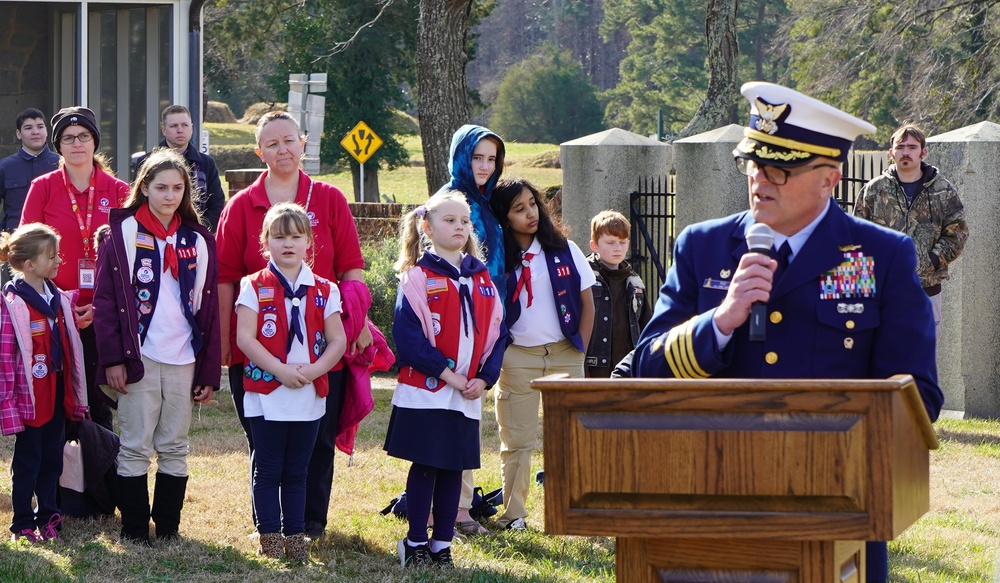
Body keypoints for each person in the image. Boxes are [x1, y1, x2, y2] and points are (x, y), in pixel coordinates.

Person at [629, 82, 945, 583]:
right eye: (753, 165)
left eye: (780, 169)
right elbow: (643, 369)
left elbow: (918, 399)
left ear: (829, 179)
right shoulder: (703, 246)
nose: (760, 182)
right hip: (708, 508)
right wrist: (721, 322)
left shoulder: (880, 255)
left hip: (833, 514)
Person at [215, 111, 369, 539]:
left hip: (322, 347)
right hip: (258, 348)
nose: (282, 150)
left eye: (289, 141)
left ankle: (310, 524)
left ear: (303, 144)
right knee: (264, 441)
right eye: (272, 143)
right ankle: (267, 527)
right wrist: (228, 341)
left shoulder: (331, 198)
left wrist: (357, 322)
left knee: (317, 438)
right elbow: (226, 277)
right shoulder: (240, 206)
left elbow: (352, 269)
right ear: (258, 151)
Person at [93, 148, 220, 545]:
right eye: (161, 187)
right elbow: (105, 303)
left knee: (175, 445)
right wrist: (113, 358)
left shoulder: (197, 239)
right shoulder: (121, 234)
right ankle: (134, 528)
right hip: (139, 357)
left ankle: (167, 528)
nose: (169, 195)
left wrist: (208, 371)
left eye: (178, 188)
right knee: (134, 445)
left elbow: (210, 309)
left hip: (183, 355)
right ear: (144, 187)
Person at [386, 190, 506, 567]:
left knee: (455, 465)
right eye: (449, 220)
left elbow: (499, 333)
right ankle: (416, 542)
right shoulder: (417, 277)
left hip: (468, 393)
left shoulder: (480, 277)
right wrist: (450, 375)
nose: (458, 227)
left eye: (464, 221)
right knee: (426, 465)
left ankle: (442, 545)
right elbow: (408, 339)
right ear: (427, 227)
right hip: (428, 392)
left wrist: (485, 379)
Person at [235, 202, 347, 561]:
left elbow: (338, 340)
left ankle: (295, 538)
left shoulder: (326, 289)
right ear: (265, 241)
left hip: (308, 392)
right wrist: (280, 370)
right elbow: (245, 338)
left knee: (298, 470)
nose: (288, 243)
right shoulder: (252, 285)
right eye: (279, 236)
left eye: (296, 236)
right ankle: (269, 537)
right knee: (268, 468)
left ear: (309, 242)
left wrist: (314, 372)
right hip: (267, 391)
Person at [489, 178, 596, 530]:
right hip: (518, 356)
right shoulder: (498, 257)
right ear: (505, 218)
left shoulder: (564, 248)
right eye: (518, 209)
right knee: (517, 440)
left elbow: (586, 300)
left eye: (532, 204)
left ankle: (570, 511)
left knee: (568, 437)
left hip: (565, 354)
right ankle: (514, 514)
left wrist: (579, 347)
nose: (530, 213)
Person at [21, 106, 129, 433]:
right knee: (57, 401)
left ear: (95, 141)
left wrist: (99, 307)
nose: (77, 143)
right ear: (59, 145)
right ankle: (60, 480)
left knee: (99, 404)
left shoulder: (119, 191)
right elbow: (26, 252)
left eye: (83, 136)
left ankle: (100, 479)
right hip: (54, 309)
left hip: (106, 311)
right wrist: (58, 303)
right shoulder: (43, 187)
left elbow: (130, 260)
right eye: (68, 138)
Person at [0, 223, 88, 542]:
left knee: (52, 458)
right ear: (29, 265)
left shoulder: (59, 299)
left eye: (57, 255)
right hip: (29, 400)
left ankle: (49, 514)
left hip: (57, 395)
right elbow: (6, 361)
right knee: (28, 462)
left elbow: (70, 350)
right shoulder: (11, 305)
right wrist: (7, 408)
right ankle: (22, 521)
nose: (58, 261)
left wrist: (77, 396)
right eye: (51, 257)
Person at [439, 124, 507, 535]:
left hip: (486, 322)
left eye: (491, 159)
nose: (484, 166)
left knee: (467, 417)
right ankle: (454, 511)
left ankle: (458, 506)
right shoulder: (449, 201)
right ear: (461, 157)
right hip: (453, 322)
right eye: (476, 157)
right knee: (450, 418)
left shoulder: (487, 204)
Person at [853, 123, 969, 338]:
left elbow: (957, 232)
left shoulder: (942, 189)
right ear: (891, 153)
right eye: (900, 147)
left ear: (923, 152)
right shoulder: (874, 189)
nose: (906, 152)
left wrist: (930, 261)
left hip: (925, 289)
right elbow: (856, 236)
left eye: (912, 147)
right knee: (880, 356)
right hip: (881, 290)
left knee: (922, 357)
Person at [134, 105, 226, 231]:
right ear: (164, 130)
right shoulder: (146, 162)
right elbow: (138, 202)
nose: (180, 130)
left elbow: (217, 203)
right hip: (154, 232)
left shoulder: (206, 163)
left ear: (192, 128)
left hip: (196, 234)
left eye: (185, 125)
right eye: (174, 126)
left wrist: (200, 231)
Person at [584, 209, 652, 378]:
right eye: (610, 242)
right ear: (594, 245)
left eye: (622, 242)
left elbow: (647, 325)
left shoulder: (635, 282)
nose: (617, 248)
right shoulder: (584, 278)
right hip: (592, 369)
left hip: (627, 370)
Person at [0, 109, 61, 285]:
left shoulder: (61, 164)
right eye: (28, 128)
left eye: (40, 126)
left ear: (47, 131)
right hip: (17, 248)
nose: (35, 131)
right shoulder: (5, 168)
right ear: (19, 133)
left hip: (54, 247)